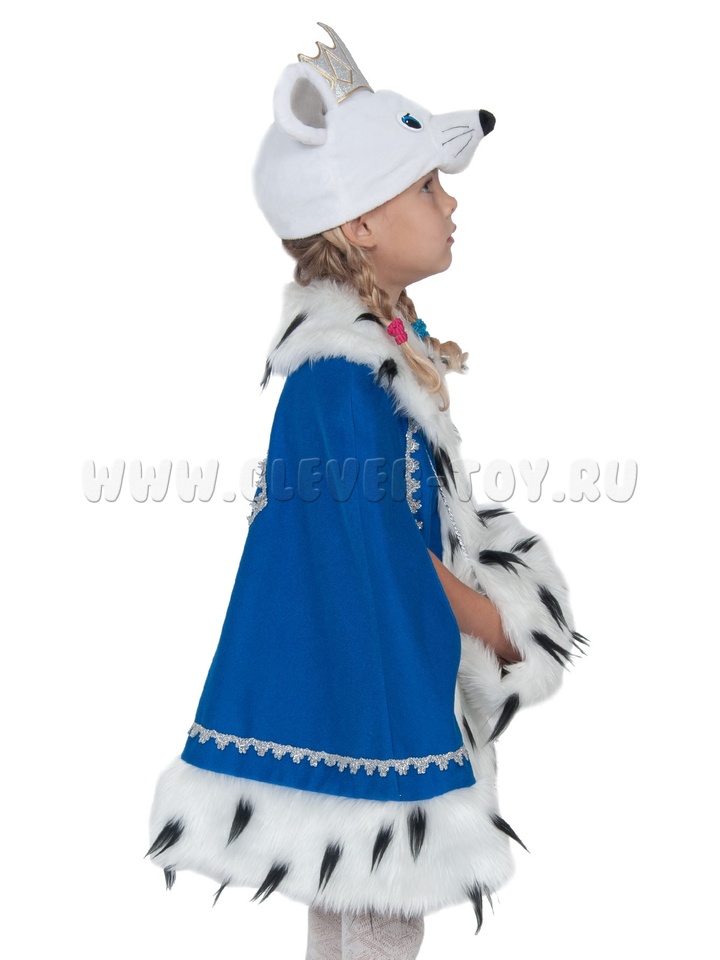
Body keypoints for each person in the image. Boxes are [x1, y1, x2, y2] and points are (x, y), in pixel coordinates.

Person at [147, 24, 585, 960]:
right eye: (426, 186)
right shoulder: (345, 380)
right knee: (381, 893)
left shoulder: (364, 358)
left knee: (348, 885)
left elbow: (401, 531)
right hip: (370, 689)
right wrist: (500, 622)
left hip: (361, 674)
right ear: (359, 225)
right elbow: (383, 553)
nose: (449, 201)